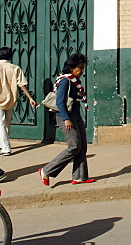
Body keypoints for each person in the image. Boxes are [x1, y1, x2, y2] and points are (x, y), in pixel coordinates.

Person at [39, 53, 93, 186]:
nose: (82, 71)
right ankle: (46, 170)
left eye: (82, 68)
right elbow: (60, 102)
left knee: (82, 146)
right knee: (74, 146)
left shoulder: (74, 81)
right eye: (79, 68)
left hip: (75, 116)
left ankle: (80, 177)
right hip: (66, 117)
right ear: (71, 68)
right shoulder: (65, 81)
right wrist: (66, 119)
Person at [0, 47, 36, 156]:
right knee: (6, 123)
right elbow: (22, 84)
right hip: (10, 99)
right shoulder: (15, 68)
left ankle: (5, 147)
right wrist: (30, 98)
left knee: (0, 123)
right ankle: (2, 143)